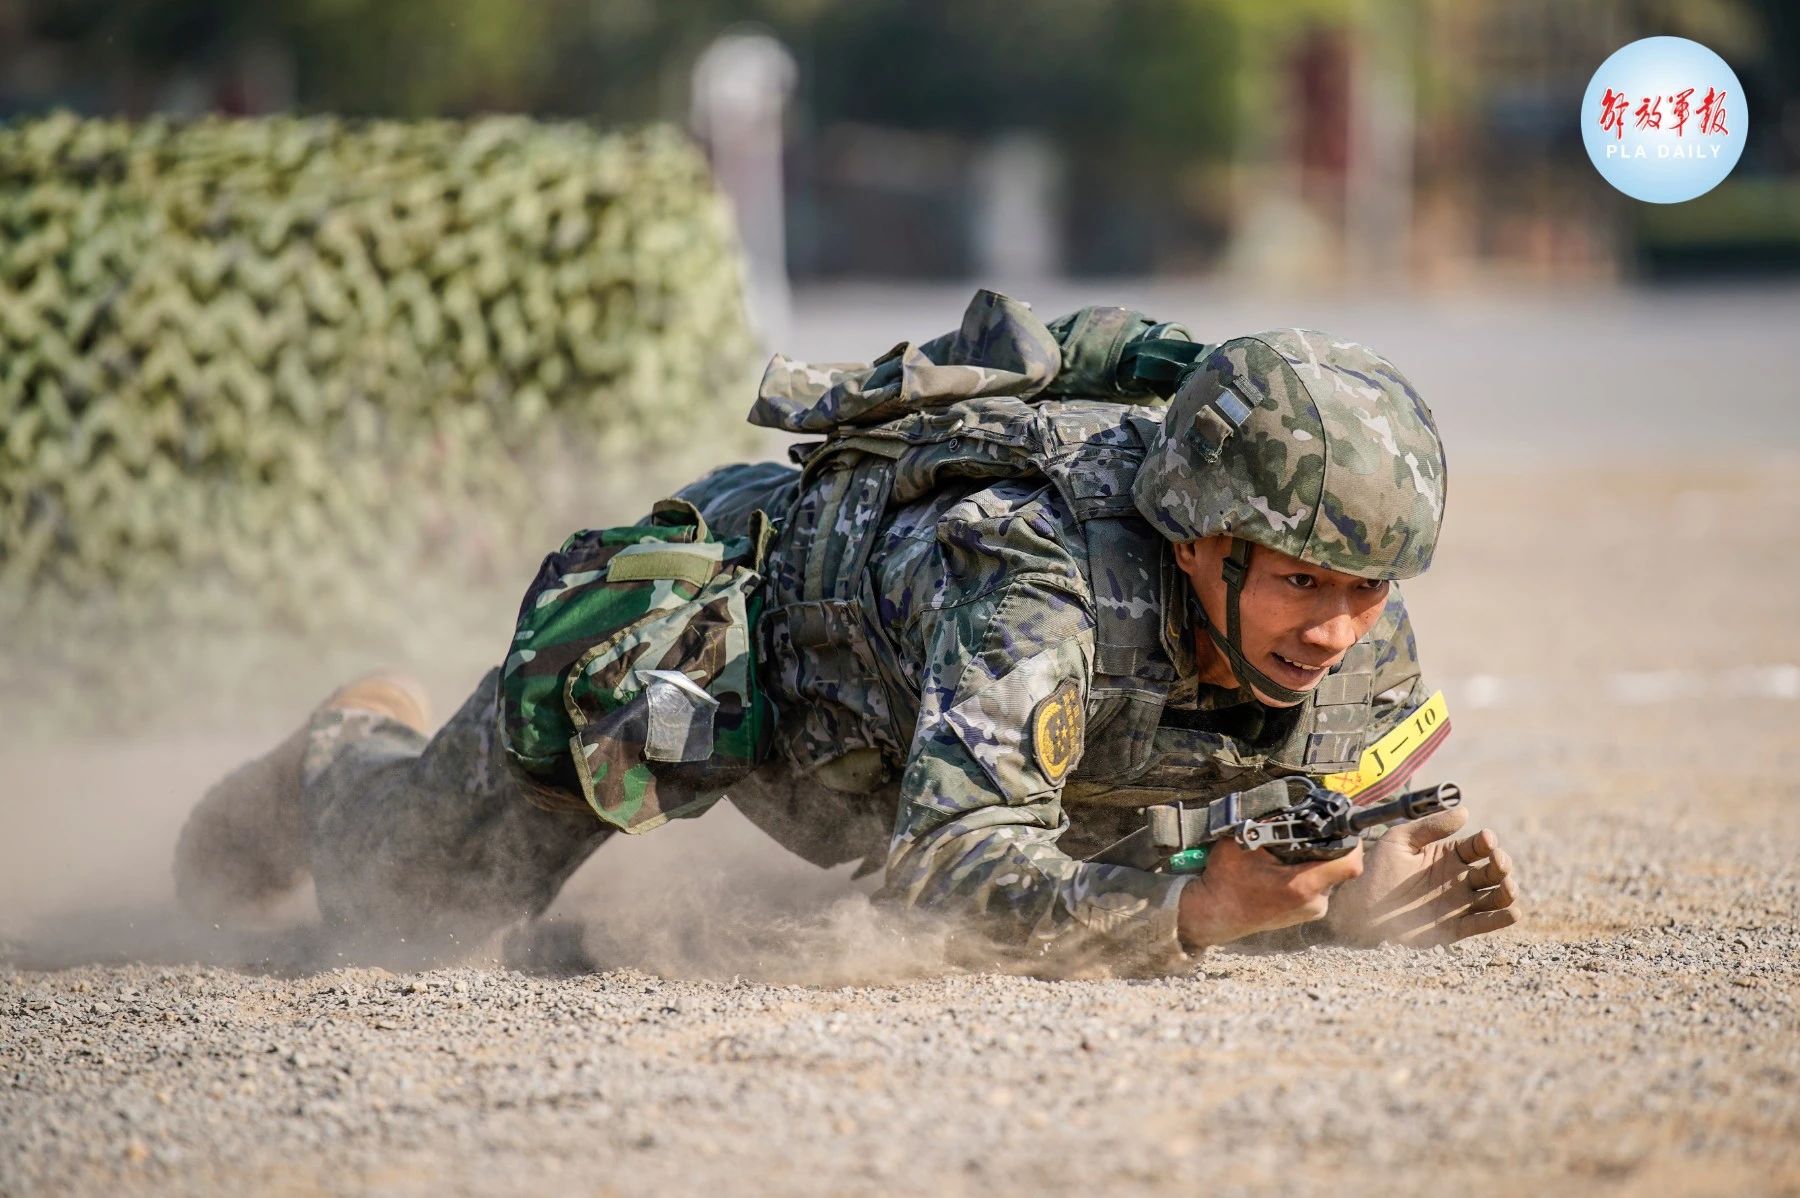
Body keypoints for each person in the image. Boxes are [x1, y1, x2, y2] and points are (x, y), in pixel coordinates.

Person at [175, 291, 1518, 974]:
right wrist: (1188, 908)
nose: (1341, 626)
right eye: (1302, 584)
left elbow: (1343, 806)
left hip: (895, 756)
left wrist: (1367, 892)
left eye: (1369, 587)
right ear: (1200, 540)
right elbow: (951, 873)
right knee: (406, 916)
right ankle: (342, 750)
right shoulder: (1041, 590)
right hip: (726, 648)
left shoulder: (1342, 611)